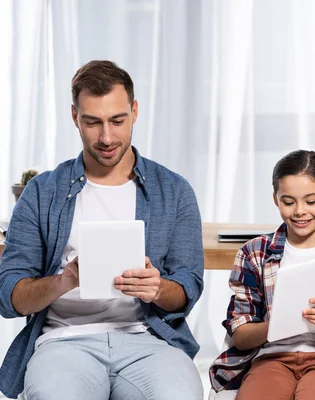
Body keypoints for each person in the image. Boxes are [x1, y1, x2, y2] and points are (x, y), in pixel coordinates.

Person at [0, 60, 205, 400]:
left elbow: (188, 286)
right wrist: (64, 281)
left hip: (148, 340)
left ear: (135, 111)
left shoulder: (174, 190)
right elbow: (9, 297)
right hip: (63, 343)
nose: (106, 137)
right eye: (92, 122)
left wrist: (157, 289)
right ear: (74, 117)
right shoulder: (41, 192)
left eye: (117, 120)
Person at [209, 150, 315, 399]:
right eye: (288, 202)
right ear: (275, 199)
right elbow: (240, 336)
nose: (300, 211)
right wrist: (275, 326)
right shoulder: (253, 253)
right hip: (270, 359)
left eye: (311, 202)